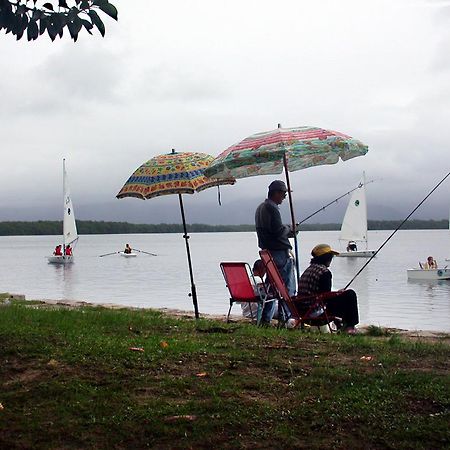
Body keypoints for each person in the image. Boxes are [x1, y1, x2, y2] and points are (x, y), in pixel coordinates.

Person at [255, 180, 297, 324]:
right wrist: (290, 228)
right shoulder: (272, 208)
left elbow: (272, 232)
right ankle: (285, 318)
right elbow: (278, 231)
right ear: (276, 193)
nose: (284, 197)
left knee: (271, 288)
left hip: (268, 253)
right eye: (283, 193)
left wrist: (288, 230)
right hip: (279, 254)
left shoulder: (261, 207)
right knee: (285, 288)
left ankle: (266, 319)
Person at [297, 243, 359, 334]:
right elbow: (326, 298)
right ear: (326, 258)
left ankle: (343, 325)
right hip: (315, 313)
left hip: (302, 311)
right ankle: (349, 327)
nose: (331, 260)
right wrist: (339, 295)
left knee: (343, 295)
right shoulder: (324, 272)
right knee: (350, 294)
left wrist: (337, 294)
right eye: (331, 257)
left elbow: (323, 294)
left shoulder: (308, 270)